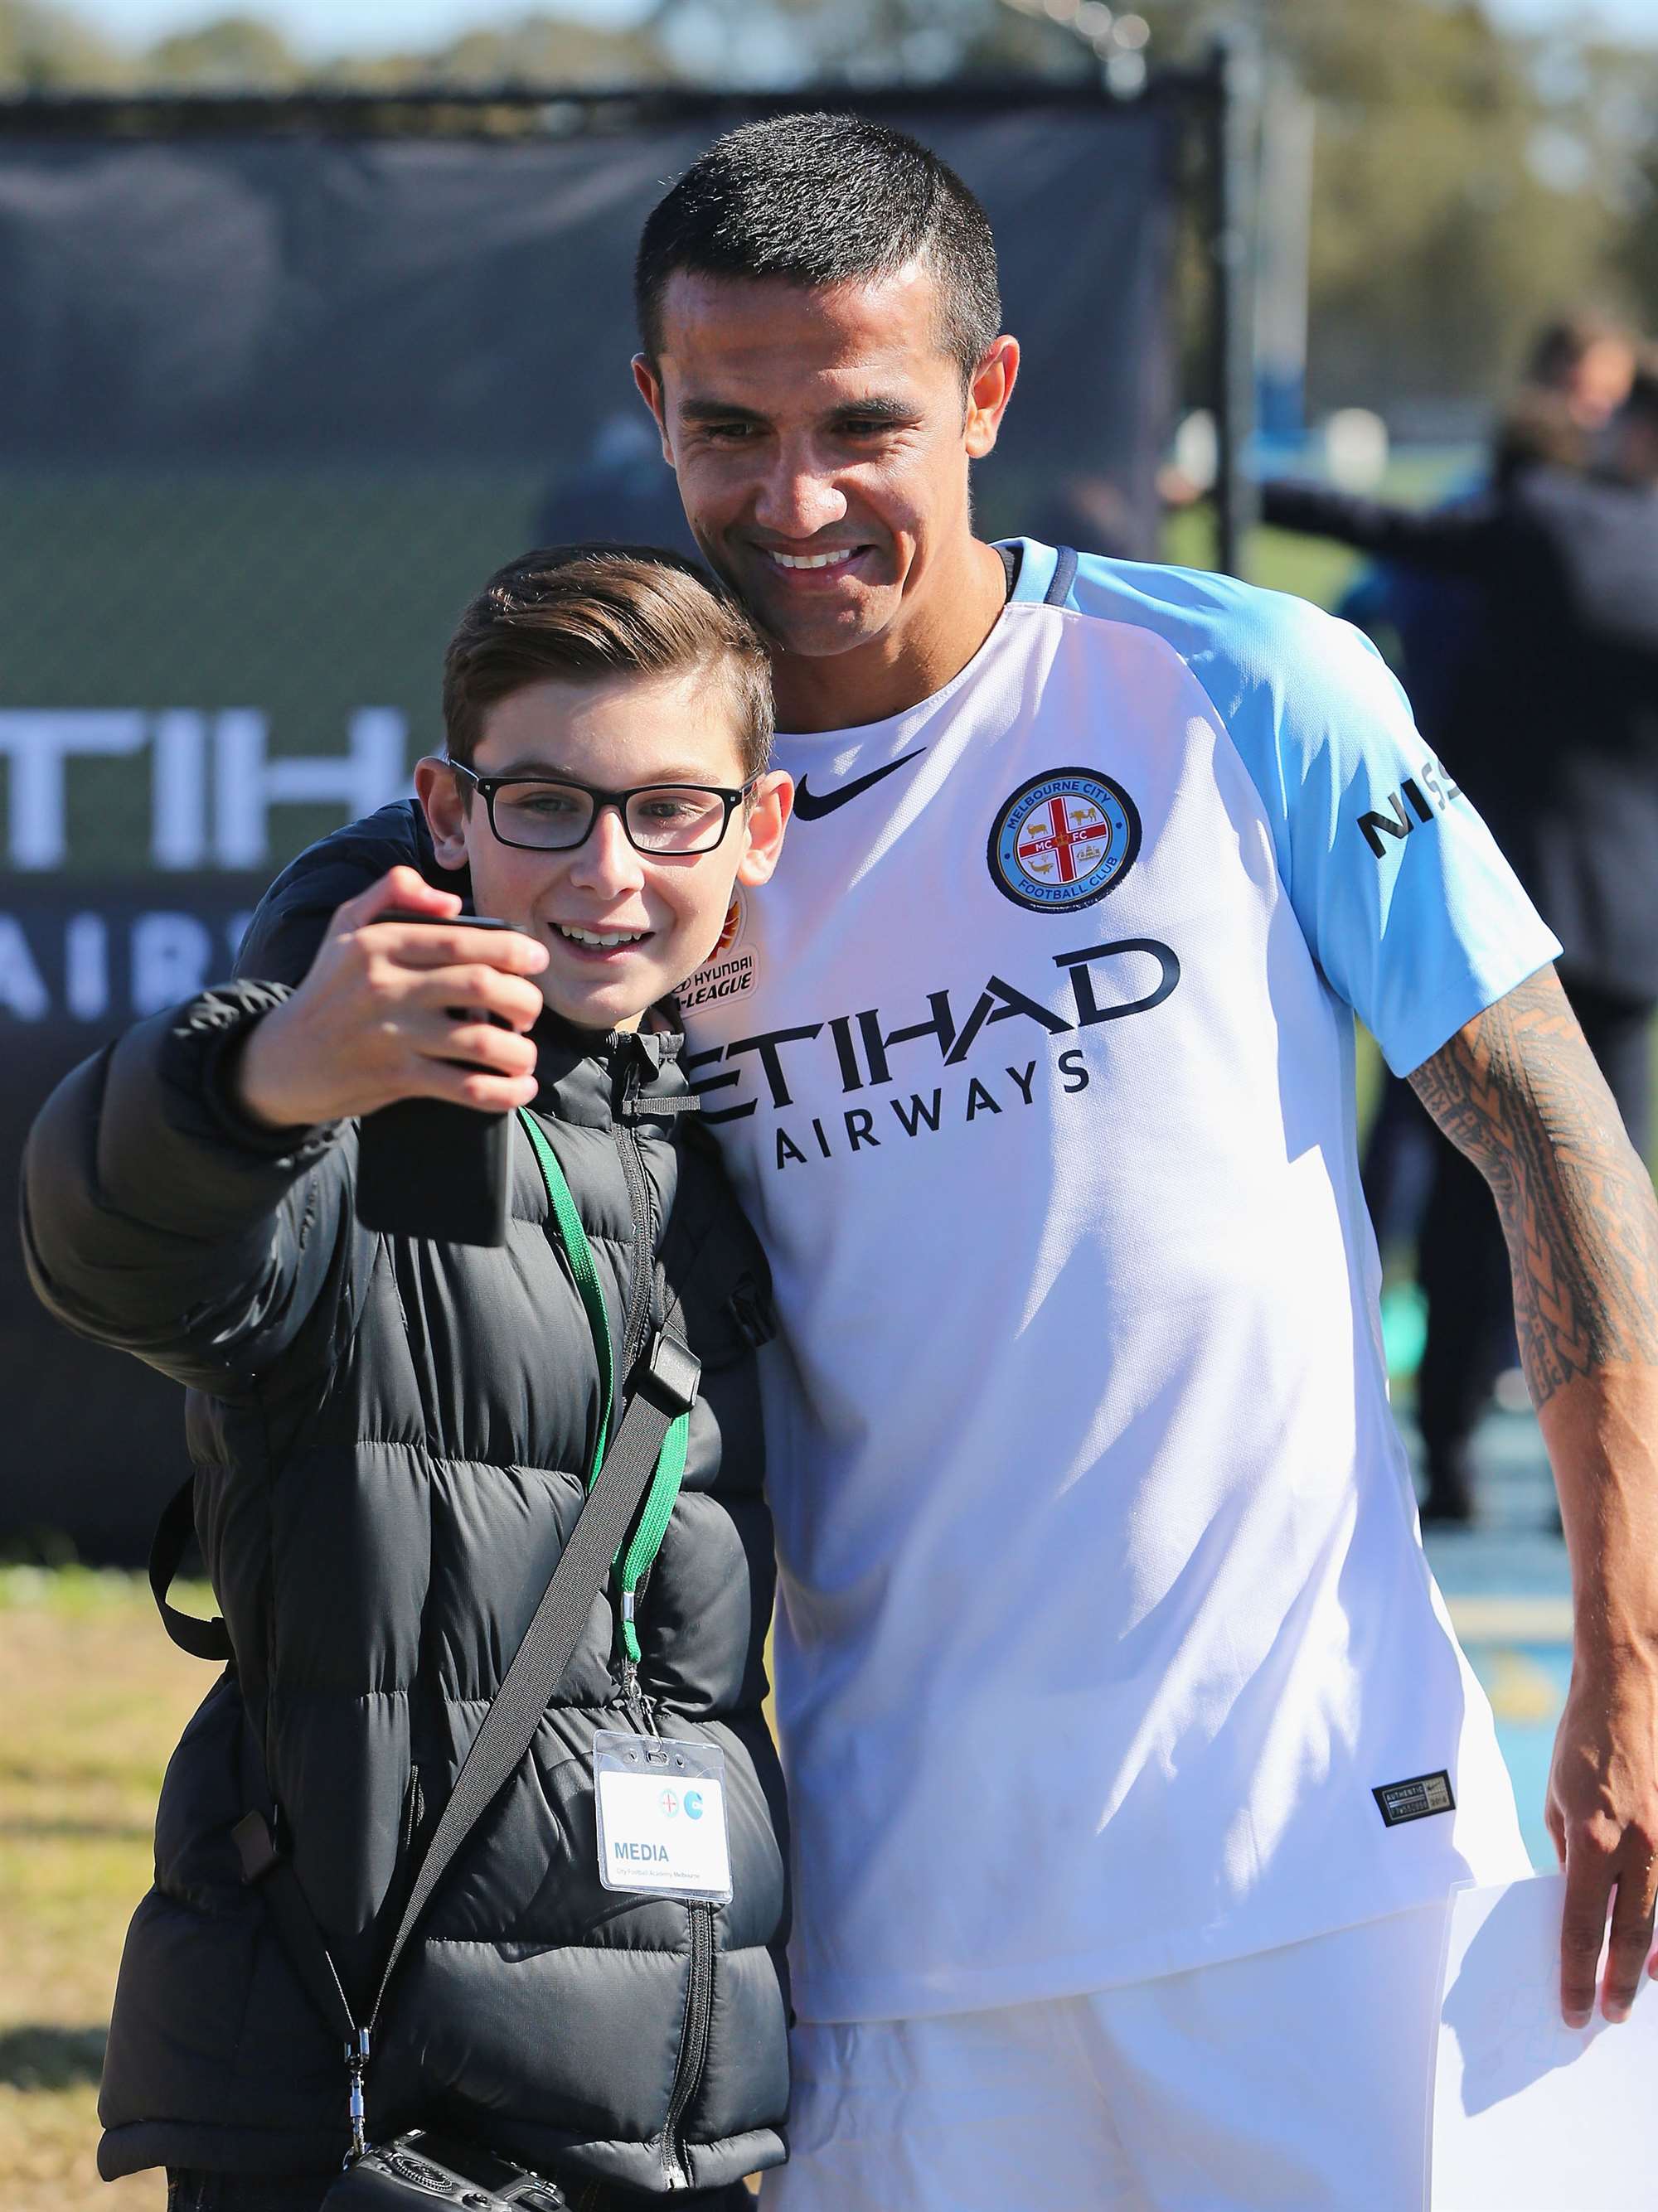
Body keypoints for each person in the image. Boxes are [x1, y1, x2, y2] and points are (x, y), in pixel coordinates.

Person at [227, 118, 1658, 2211]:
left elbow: (1548, 1134)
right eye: (729, 429)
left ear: (984, 394)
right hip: (887, 1932)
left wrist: (1629, 1663)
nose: (794, 500)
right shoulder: (626, 838)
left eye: (862, 425)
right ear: (652, 405)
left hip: (1326, 1865)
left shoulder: (1242, 681)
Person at [21, 548, 797, 2208]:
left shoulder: (704, 1129)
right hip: (383, 2120)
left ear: (760, 828)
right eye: (546, 805)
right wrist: (260, 1081)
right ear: (446, 811)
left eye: (672, 809)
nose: (607, 869)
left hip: (673, 2111)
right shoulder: (349, 1096)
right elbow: (113, 1243)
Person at [1264, 361, 1658, 1522]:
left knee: (1468, 1187)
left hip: (1500, 907)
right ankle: (1610, 1481)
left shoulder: (1538, 521)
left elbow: (1382, 526)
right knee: (1608, 1195)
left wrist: (1234, 486)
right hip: (1629, 918)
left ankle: (1444, 1451)